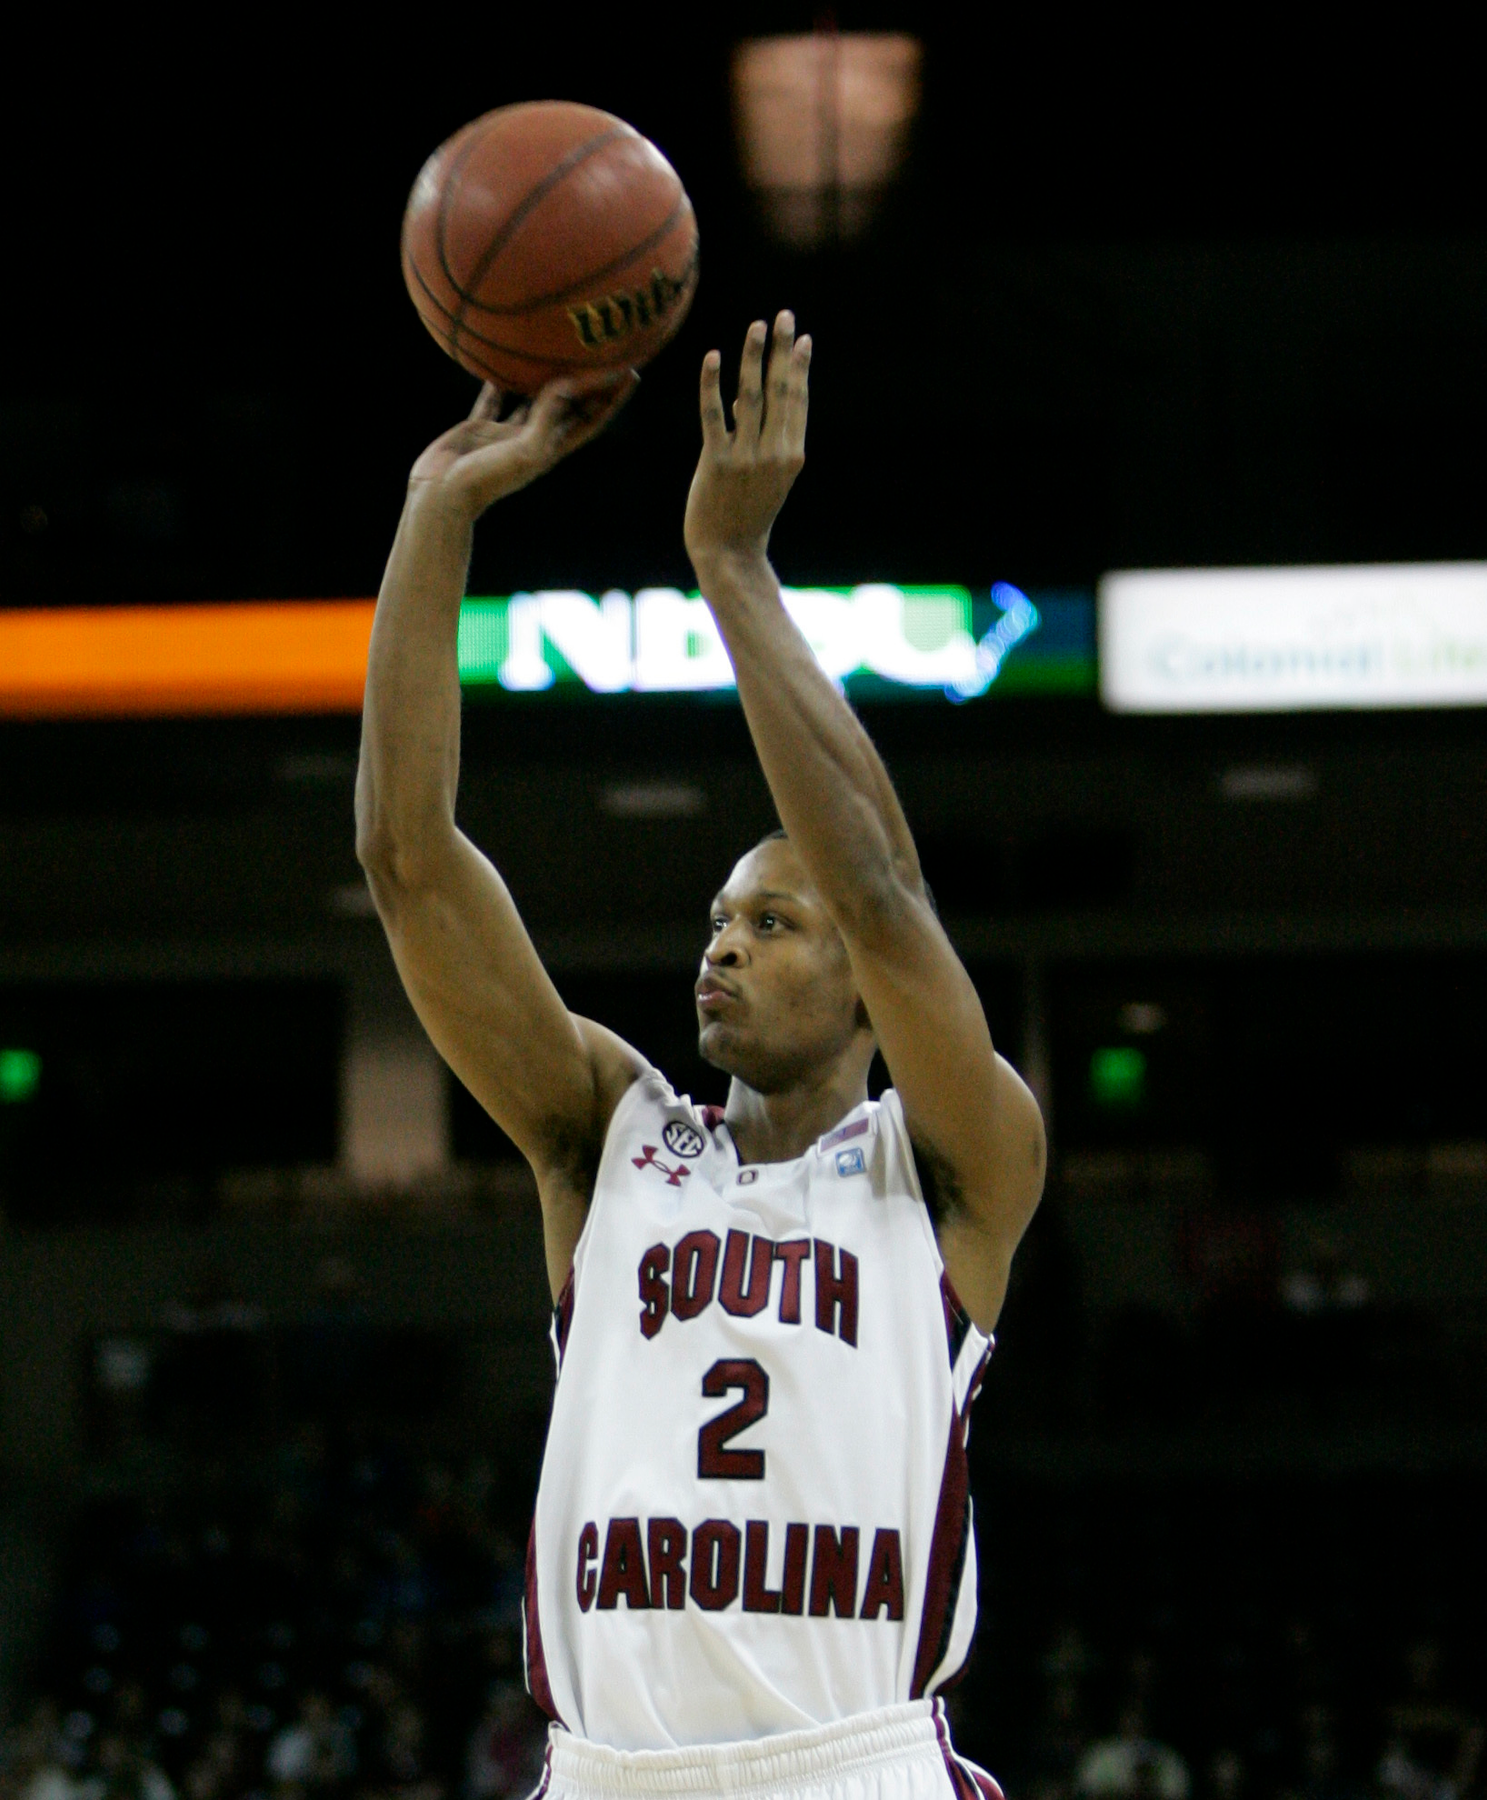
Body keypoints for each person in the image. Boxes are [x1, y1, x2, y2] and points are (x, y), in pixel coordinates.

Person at [355, 313, 1046, 1800]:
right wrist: (435, 515)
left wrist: (733, 571)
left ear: (871, 992)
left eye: (772, 921)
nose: (721, 945)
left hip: (850, 1767)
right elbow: (409, 863)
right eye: (718, 918)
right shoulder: (603, 1129)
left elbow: (882, 889)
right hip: (611, 1773)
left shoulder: (952, 1165)